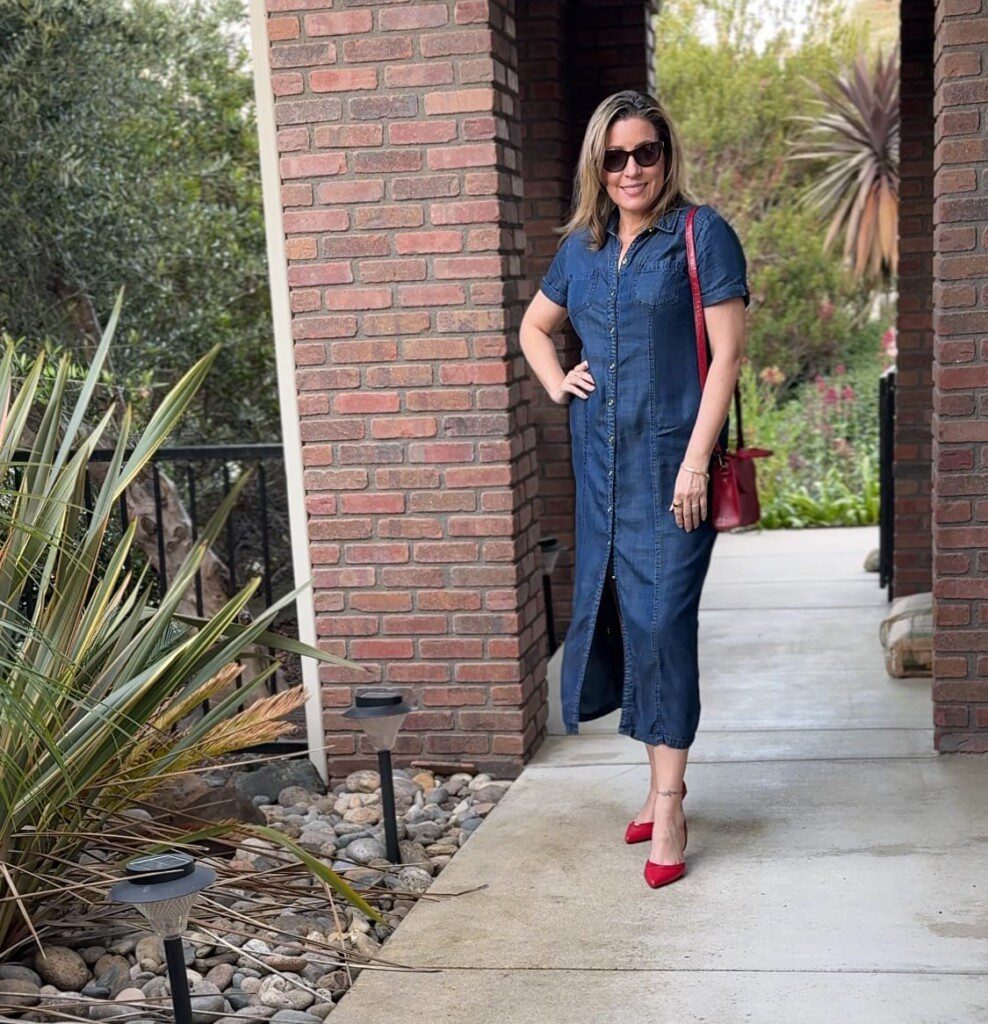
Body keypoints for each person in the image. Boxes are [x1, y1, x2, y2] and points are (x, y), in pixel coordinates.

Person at [519, 90, 750, 889]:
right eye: (614, 157)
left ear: (665, 155)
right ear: (597, 164)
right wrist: (558, 383)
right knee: (628, 618)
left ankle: (671, 801)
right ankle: (657, 783)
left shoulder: (701, 234)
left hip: (671, 471)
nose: (630, 169)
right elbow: (533, 328)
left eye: (644, 152)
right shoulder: (580, 250)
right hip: (601, 472)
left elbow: (725, 359)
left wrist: (695, 460)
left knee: (664, 623)